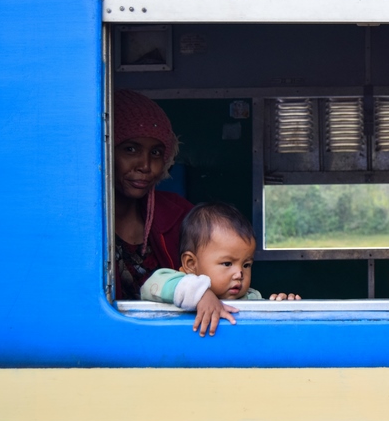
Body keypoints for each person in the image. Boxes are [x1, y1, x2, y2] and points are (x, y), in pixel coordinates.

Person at [141, 202, 301, 336]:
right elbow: (151, 286)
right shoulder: (182, 289)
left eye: (246, 265)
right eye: (227, 264)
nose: (239, 274)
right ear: (190, 264)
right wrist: (201, 294)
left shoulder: (251, 299)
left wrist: (284, 308)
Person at [114, 89, 194, 300]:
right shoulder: (83, 224)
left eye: (156, 152)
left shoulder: (180, 213)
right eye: (130, 149)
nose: (146, 166)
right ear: (105, 150)